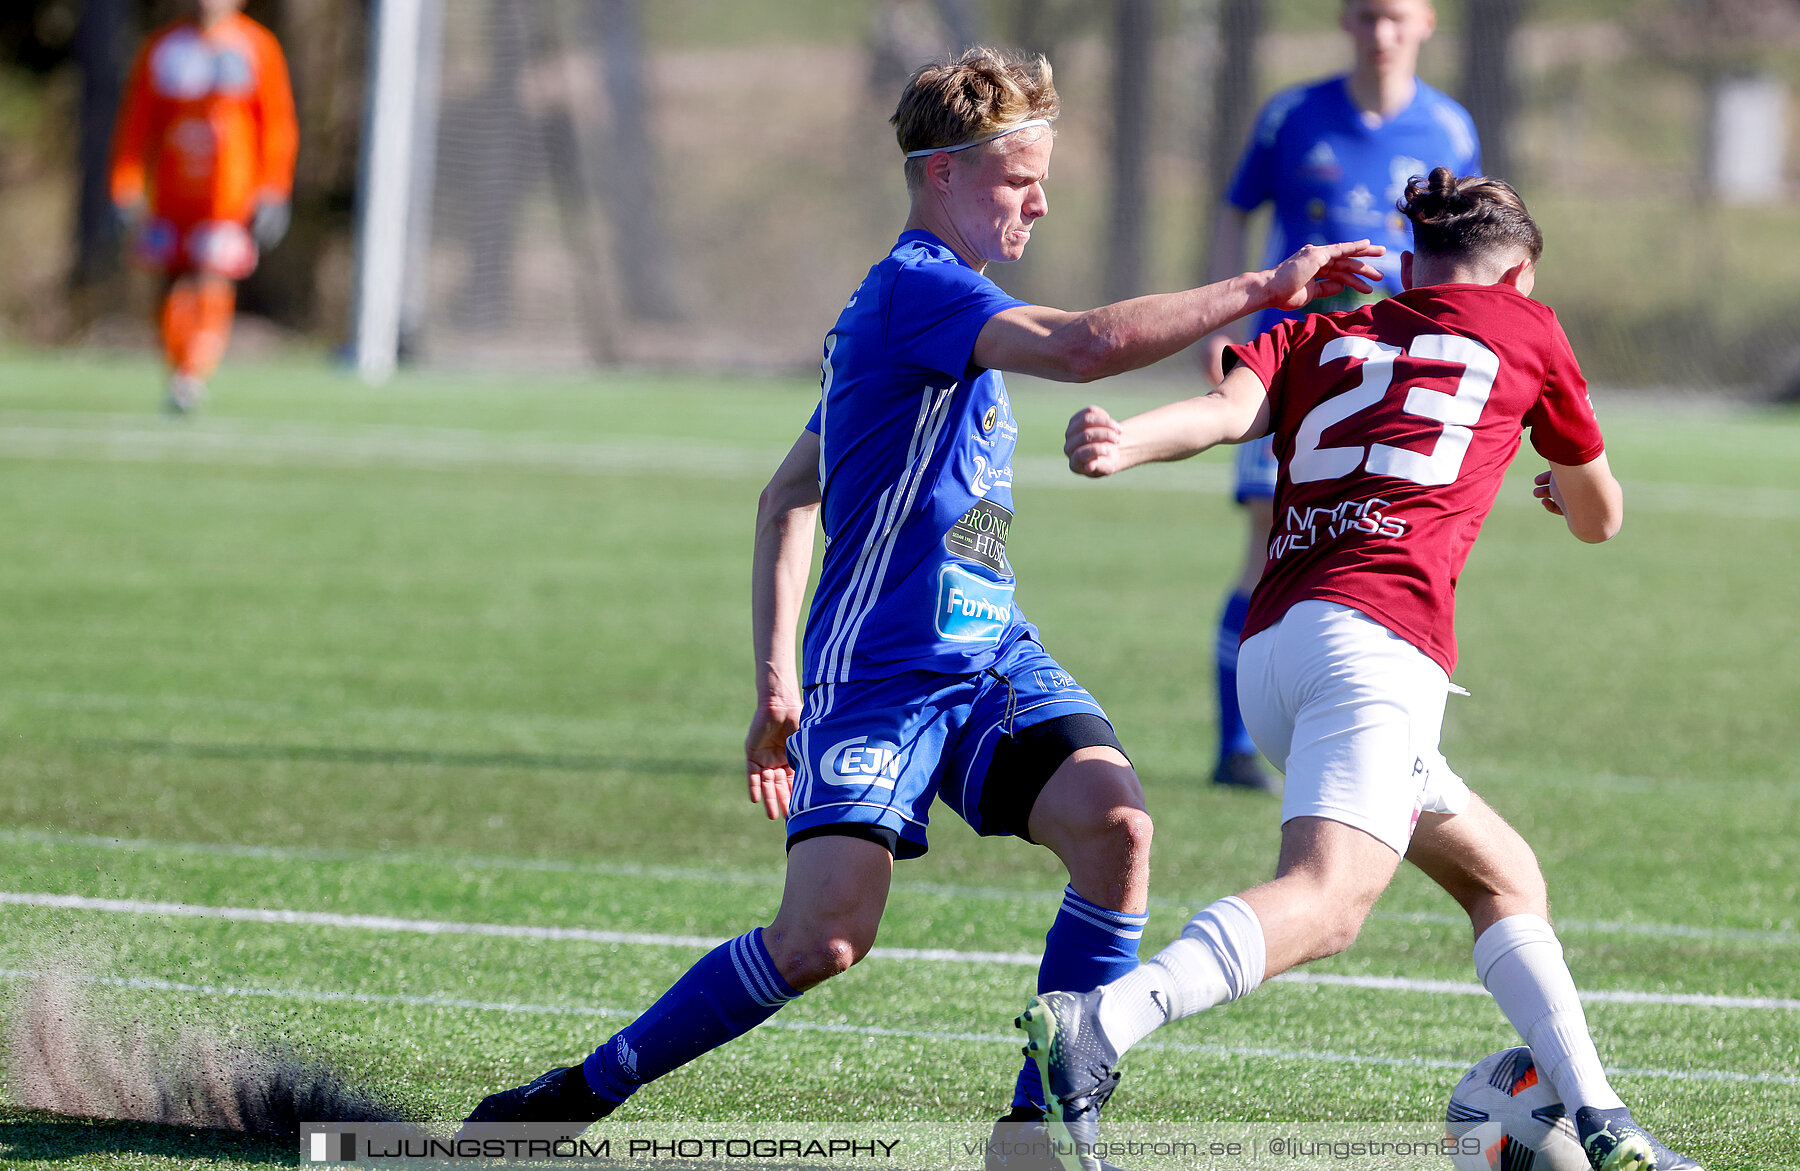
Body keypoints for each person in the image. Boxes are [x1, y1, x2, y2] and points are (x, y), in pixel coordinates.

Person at [460, 46, 1380, 1150]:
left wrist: (792, 672)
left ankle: (1036, 1128)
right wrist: (1263, 286)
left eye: (1045, 178)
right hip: (885, 674)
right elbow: (1083, 348)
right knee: (823, 940)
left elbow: (792, 491)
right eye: (1015, 180)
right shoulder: (916, 291)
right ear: (940, 174)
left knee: (1118, 827)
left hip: (991, 660)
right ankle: (576, 1094)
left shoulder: (939, 315)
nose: (1039, 202)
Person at [1024, 169, 1701, 1171]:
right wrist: (1561, 487)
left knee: (1504, 878)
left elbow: (1218, 413)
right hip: (1378, 647)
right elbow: (1602, 517)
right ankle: (1106, 1023)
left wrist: (1122, 443)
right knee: (1329, 899)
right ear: (1516, 271)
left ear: (1413, 263)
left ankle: (1603, 1121)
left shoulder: (1320, 332)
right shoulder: (1528, 329)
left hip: (1274, 651)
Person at [1198, 0, 1479, 793]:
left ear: (1426, 22)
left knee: (1382, 536)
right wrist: (1216, 321)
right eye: (1364, 16)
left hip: (1397, 367)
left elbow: (1470, 246)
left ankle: (1365, 719)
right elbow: (1235, 210)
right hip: (1291, 357)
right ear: (1344, 23)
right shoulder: (1291, 114)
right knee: (1268, 540)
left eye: (1395, 17)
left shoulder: (1451, 131)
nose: (1380, 33)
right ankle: (1236, 745)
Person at [110, 0, 297, 414]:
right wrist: (125, 182)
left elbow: (277, 124)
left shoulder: (256, 46)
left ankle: (194, 372)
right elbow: (137, 120)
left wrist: (273, 187)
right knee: (170, 280)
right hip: (171, 193)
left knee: (212, 275)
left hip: (228, 196)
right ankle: (178, 368)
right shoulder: (163, 47)